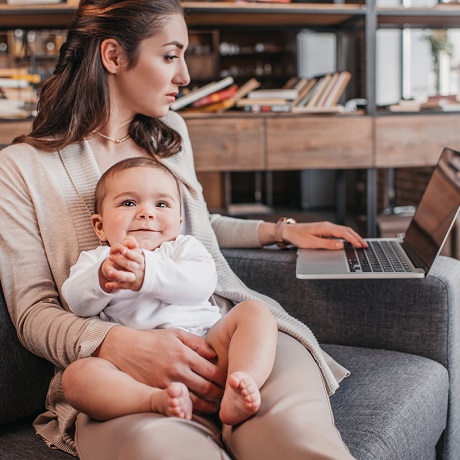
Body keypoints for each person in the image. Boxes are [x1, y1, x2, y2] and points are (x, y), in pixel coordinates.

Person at [0, 0, 367, 458]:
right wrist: (119, 344)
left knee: (297, 441)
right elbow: (32, 312)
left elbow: (193, 226)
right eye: (170, 55)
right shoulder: (20, 169)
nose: (186, 76)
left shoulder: (168, 132)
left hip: (223, 333)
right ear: (113, 56)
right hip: (119, 373)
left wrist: (279, 231)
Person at [61, 157, 278, 426]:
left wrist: (147, 274)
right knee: (76, 377)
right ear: (100, 226)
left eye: (161, 204)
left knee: (254, 311)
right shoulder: (99, 260)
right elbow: (75, 302)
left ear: (179, 221)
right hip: (136, 369)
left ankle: (242, 381)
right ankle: (154, 401)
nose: (146, 213)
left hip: (209, 348)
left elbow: (200, 286)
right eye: (129, 203)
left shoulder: (183, 248)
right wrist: (101, 278)